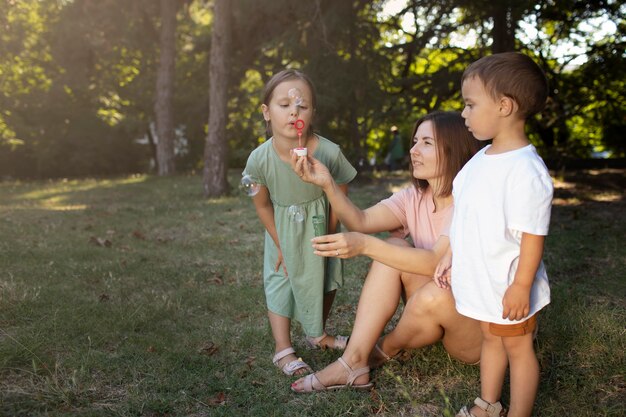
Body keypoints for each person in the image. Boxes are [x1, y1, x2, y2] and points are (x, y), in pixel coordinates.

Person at [289, 111, 483, 392]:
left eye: (427, 143)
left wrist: (365, 245)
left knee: (432, 293)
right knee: (393, 248)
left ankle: (378, 351)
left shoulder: (470, 201)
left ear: (456, 149)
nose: (413, 150)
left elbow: (434, 262)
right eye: (415, 141)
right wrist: (327, 184)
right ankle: (353, 360)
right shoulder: (414, 197)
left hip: (472, 331)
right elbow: (360, 221)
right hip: (431, 308)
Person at [436, 52, 553, 417]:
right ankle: (488, 405)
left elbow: (533, 236)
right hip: (483, 281)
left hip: (507, 284)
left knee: (518, 348)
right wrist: (451, 252)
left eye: (470, 105)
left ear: (504, 106)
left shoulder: (525, 170)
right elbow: (466, 216)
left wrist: (521, 286)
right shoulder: (478, 161)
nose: (464, 114)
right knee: (490, 337)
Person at [242, 69, 357, 377]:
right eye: (284, 104)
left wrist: (331, 234)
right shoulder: (259, 160)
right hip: (282, 230)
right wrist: (280, 243)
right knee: (280, 280)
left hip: (322, 226)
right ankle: (283, 348)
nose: (293, 111)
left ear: (312, 113)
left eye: (301, 105)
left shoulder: (329, 153)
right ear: (267, 112)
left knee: (326, 278)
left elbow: (340, 196)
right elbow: (263, 204)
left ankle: (316, 332)